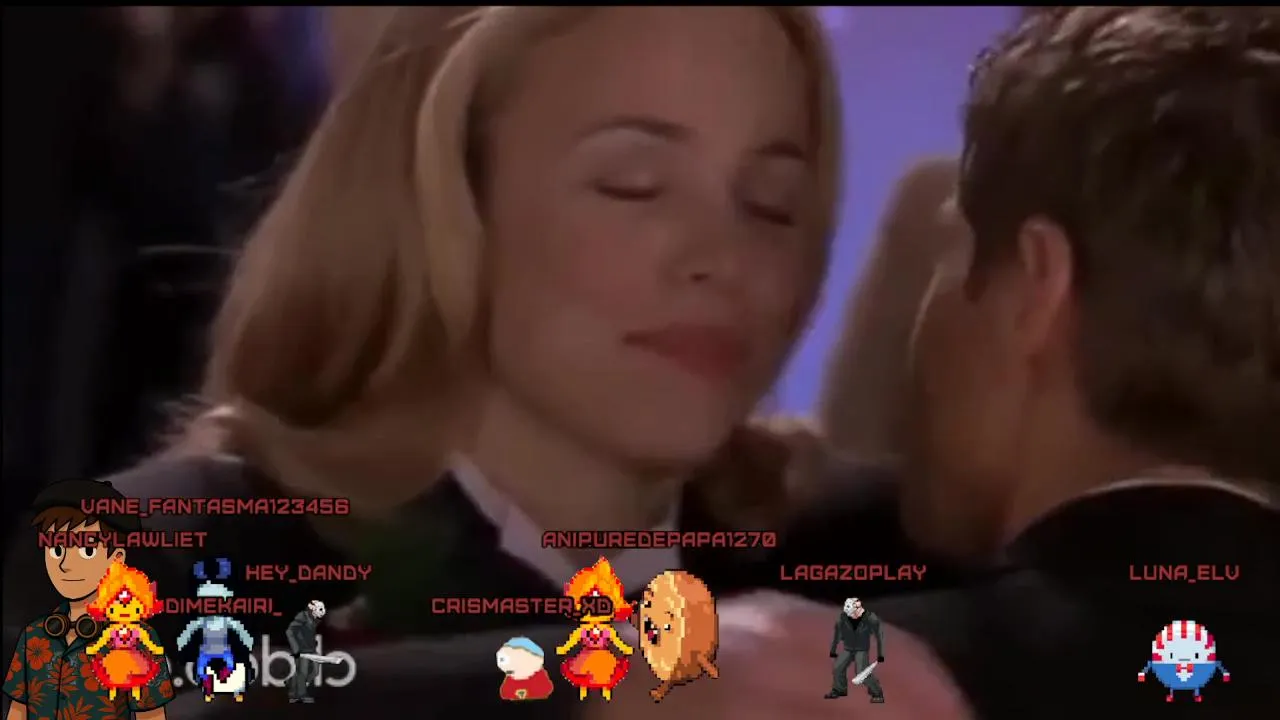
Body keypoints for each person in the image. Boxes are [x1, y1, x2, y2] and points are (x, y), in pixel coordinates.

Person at [3, 480, 174, 720]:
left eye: (87, 551)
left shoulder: (136, 640)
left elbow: (151, 716)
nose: (65, 565)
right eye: (57, 550)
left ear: (116, 558)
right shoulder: (34, 636)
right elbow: (17, 710)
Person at [826, 597, 884, 702]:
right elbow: (837, 634)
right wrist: (833, 649)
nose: (849, 615)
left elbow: (879, 636)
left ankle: (877, 693)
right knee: (838, 668)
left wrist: (880, 653)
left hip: (861, 649)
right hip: (848, 648)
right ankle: (839, 689)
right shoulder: (843, 618)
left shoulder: (870, 619)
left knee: (862, 672)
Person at [284, 600, 325, 703]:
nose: (322, 612)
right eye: (319, 609)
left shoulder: (313, 619)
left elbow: (308, 633)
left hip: (311, 649)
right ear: (312, 609)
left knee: (315, 671)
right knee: (302, 672)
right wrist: (296, 648)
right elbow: (289, 631)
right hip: (301, 650)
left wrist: (313, 642)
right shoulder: (302, 617)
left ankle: (291, 682)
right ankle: (300, 695)